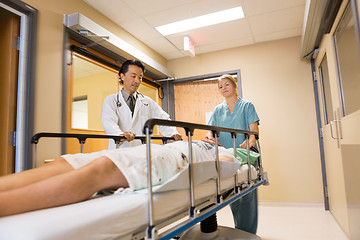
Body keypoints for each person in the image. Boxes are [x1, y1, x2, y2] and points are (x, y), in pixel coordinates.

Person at [0, 139, 235, 217]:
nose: (210, 137)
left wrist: (222, 154)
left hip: (174, 159)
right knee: (68, 163)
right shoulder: (187, 137)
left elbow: (222, 167)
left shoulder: (222, 149)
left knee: (101, 169)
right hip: (152, 148)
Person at [206, 74, 260, 234]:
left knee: (247, 199)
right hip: (226, 155)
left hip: (245, 153)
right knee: (233, 197)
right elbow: (211, 130)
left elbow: (254, 132)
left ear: (234, 85)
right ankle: (240, 231)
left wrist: (249, 142)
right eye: (220, 86)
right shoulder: (218, 110)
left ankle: (248, 232)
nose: (224, 88)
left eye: (227, 84)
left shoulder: (247, 106)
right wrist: (209, 137)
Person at [101, 59, 181, 149]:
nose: (137, 81)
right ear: (122, 76)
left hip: (142, 151)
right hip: (120, 150)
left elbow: (162, 118)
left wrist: (172, 133)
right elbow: (109, 122)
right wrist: (120, 135)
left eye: (140, 77)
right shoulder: (110, 100)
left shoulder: (147, 102)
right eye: (133, 76)